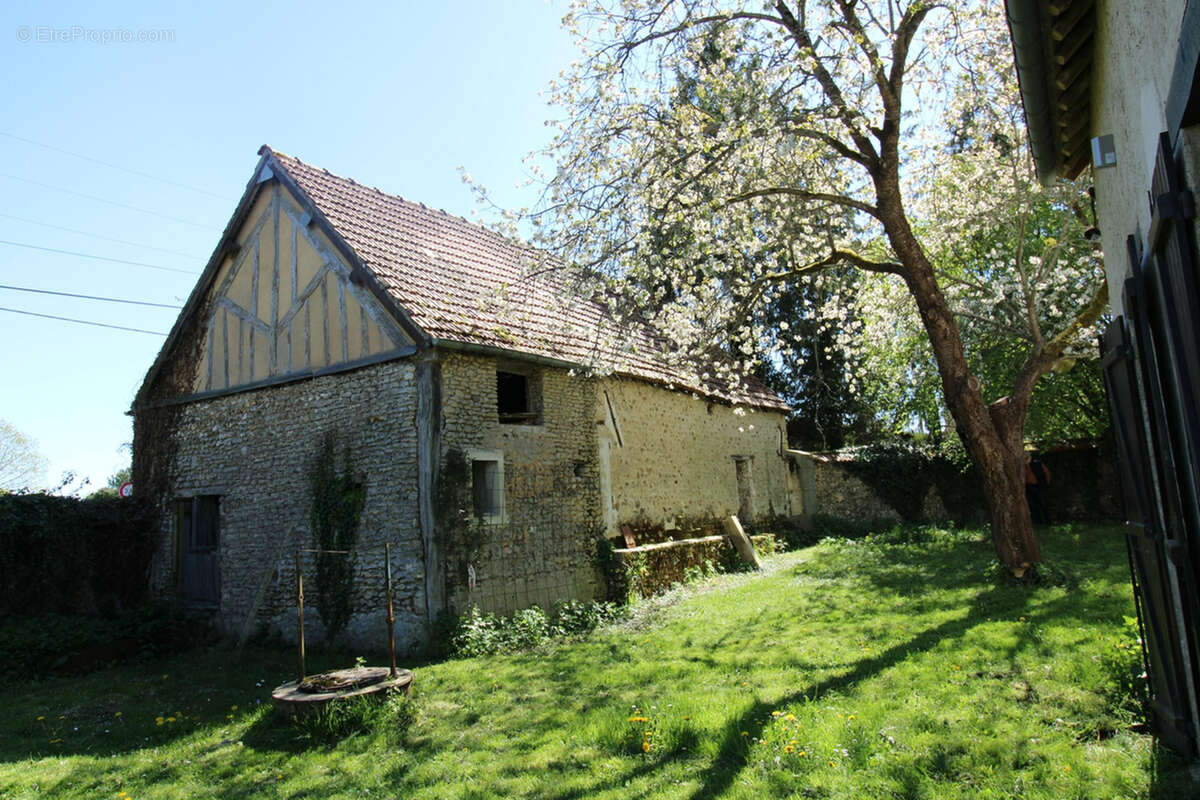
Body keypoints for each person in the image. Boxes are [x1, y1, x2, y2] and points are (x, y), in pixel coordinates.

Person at [1024, 451, 1052, 524]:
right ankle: (1038, 521)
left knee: (1043, 504)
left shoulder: (1037, 463)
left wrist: (1046, 483)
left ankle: (1048, 521)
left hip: (1038, 486)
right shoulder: (1022, 466)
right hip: (1028, 487)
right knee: (1032, 505)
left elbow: (1047, 473)